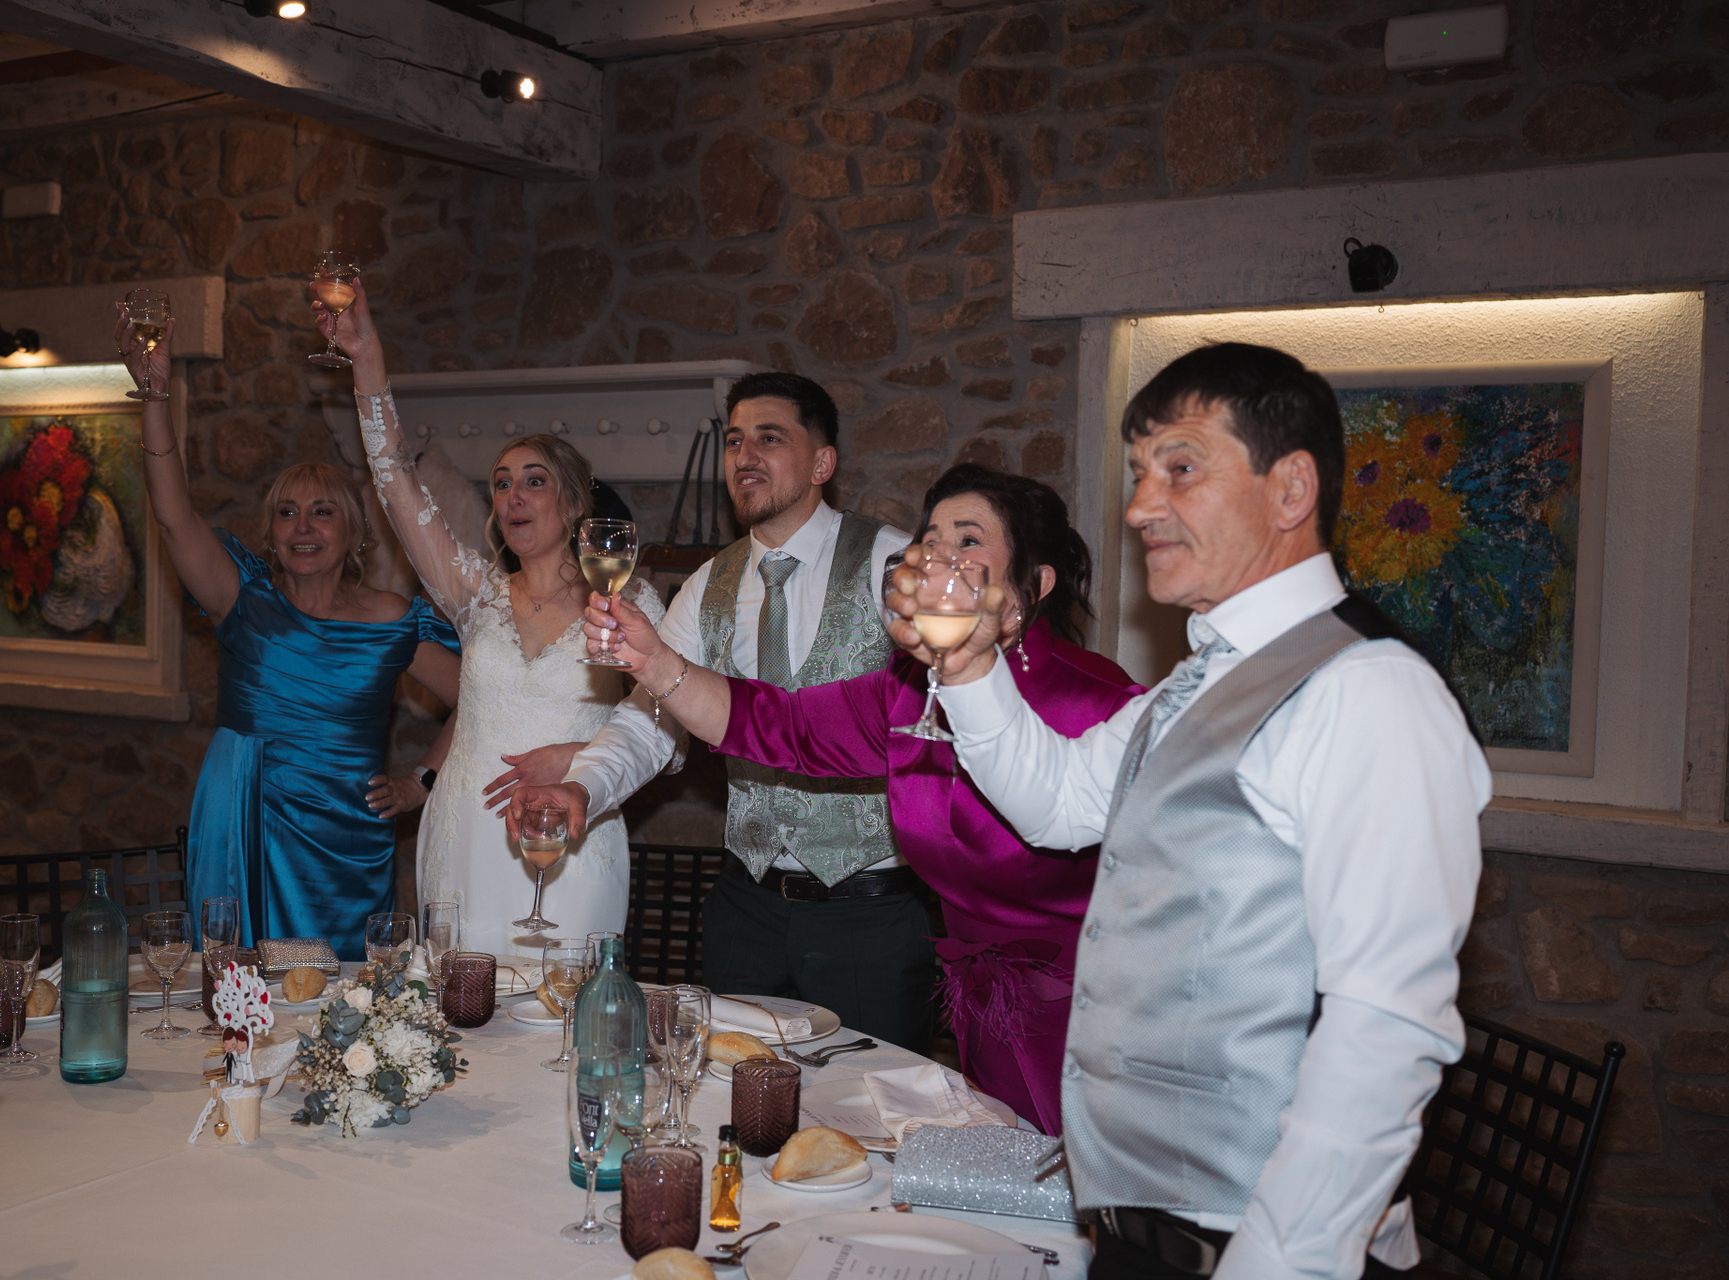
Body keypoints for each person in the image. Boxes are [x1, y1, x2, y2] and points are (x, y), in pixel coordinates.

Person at [894, 343, 1488, 1279]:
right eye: (1138, 474)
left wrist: (1272, 1265)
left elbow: (1385, 1030)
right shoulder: (1195, 683)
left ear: (1290, 490)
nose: (1139, 507)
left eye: (1179, 468)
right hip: (1139, 1231)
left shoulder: (1366, 692)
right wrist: (965, 664)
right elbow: (1057, 802)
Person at [580, 465, 1143, 1131]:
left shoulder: (1100, 703)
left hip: (1090, 1013)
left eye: (967, 541)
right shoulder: (913, 691)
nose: (937, 559)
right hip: (980, 1005)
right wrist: (654, 662)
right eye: (930, 541)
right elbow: (780, 724)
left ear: (1034, 585)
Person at [512, 373, 927, 1051]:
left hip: (868, 915)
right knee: (726, 1091)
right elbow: (648, 718)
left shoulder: (893, 563)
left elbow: (932, 717)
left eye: (770, 438)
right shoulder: (709, 584)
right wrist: (582, 786)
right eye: (734, 441)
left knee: (873, 1098)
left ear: (822, 463)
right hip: (746, 909)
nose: (744, 456)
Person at [310, 282, 668, 956]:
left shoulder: (627, 600)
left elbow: (665, 723)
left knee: (564, 995)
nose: (512, 496)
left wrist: (581, 757)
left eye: (533, 480)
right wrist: (368, 363)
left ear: (572, 503)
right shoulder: (476, 593)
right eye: (502, 483)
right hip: (467, 832)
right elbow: (393, 480)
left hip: (571, 831)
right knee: (461, 996)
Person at [113, 308, 462, 961]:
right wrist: (155, 397)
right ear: (271, 534)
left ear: (353, 534)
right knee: (243, 988)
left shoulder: (390, 618)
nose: (302, 527)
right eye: (287, 513)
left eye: (322, 512)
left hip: (349, 841)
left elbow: (482, 697)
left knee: (350, 1002)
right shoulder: (240, 600)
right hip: (247, 821)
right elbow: (172, 516)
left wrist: (421, 781)